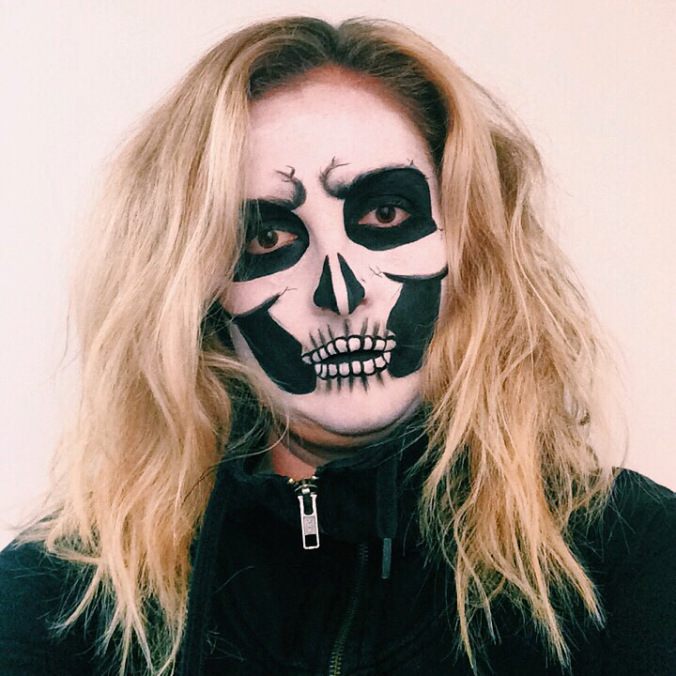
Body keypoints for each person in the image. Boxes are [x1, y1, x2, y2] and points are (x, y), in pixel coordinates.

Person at [0, 16, 674, 676]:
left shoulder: (636, 556)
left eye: (385, 213)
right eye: (267, 237)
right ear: (198, 292)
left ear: (468, 244)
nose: (340, 292)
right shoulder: (54, 605)